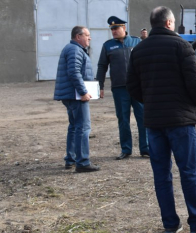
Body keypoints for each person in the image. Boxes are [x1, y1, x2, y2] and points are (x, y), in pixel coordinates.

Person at [127, 6, 196, 233]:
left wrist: (152, 101)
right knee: (189, 172)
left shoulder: (138, 51)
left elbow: (133, 87)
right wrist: (195, 107)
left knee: (161, 175)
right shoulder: (182, 47)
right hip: (180, 122)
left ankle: (170, 224)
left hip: (154, 122)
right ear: (169, 23)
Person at [96, 16, 148, 160]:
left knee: (143, 117)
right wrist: (99, 86)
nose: (113, 31)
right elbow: (102, 66)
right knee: (123, 119)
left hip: (137, 87)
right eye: (112, 29)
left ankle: (146, 148)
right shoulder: (108, 46)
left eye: (116, 28)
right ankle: (126, 149)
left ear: (124, 28)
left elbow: (147, 59)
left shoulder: (137, 42)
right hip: (119, 88)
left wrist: (146, 40)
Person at [53, 26, 100, 173]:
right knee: (82, 127)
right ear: (78, 36)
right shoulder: (75, 50)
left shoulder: (73, 49)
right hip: (76, 96)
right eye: (87, 35)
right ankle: (82, 162)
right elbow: (74, 72)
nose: (89, 38)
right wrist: (83, 92)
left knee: (74, 127)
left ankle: (71, 159)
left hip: (71, 95)